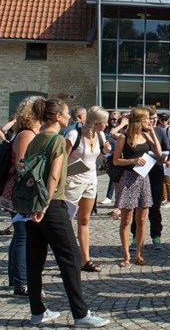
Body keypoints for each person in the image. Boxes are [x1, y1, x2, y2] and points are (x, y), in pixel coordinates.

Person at [24, 98, 109, 327]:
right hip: (51, 205)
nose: (70, 118)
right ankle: (81, 314)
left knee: (35, 259)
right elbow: (52, 176)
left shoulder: (35, 139)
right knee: (71, 258)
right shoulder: (58, 141)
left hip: (31, 206)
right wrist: (44, 205)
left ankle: (37, 311)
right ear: (58, 117)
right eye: (66, 114)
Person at [0, 97, 41, 297]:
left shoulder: (27, 133)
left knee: (19, 235)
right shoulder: (26, 134)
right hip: (21, 191)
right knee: (23, 236)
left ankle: (14, 277)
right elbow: (22, 166)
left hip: (22, 190)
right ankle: (21, 283)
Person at [113, 107, 162, 266]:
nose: (150, 121)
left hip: (143, 179)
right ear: (139, 120)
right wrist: (132, 161)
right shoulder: (123, 137)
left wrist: (152, 132)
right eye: (147, 118)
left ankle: (139, 255)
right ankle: (126, 256)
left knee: (141, 219)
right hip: (128, 179)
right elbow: (116, 161)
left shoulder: (146, 135)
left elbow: (159, 153)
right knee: (126, 220)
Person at [65, 106, 111, 273]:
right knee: (67, 221)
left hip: (91, 181)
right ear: (96, 122)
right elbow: (62, 159)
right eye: (104, 121)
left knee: (84, 220)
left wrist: (104, 152)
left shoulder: (100, 135)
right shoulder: (73, 135)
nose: (107, 124)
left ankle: (85, 260)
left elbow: (93, 158)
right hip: (72, 181)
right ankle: (68, 257)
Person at [131, 106, 169, 250]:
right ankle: (135, 237)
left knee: (155, 207)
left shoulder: (158, 131)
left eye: (153, 118)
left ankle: (156, 236)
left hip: (156, 172)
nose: (151, 121)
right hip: (140, 173)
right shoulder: (135, 134)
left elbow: (164, 151)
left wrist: (164, 157)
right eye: (149, 118)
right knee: (137, 207)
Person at [100, 110, 129, 205]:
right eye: (111, 119)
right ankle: (115, 202)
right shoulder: (111, 129)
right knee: (114, 180)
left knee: (120, 182)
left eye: (115, 119)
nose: (112, 121)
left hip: (121, 158)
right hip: (111, 157)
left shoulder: (122, 129)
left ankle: (119, 204)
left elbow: (114, 134)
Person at [158, 112, 170, 208]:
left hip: (168, 155)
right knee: (161, 179)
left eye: (165, 120)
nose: (164, 121)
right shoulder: (158, 129)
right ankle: (163, 198)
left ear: (168, 120)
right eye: (162, 119)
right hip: (161, 156)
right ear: (159, 119)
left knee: (168, 180)